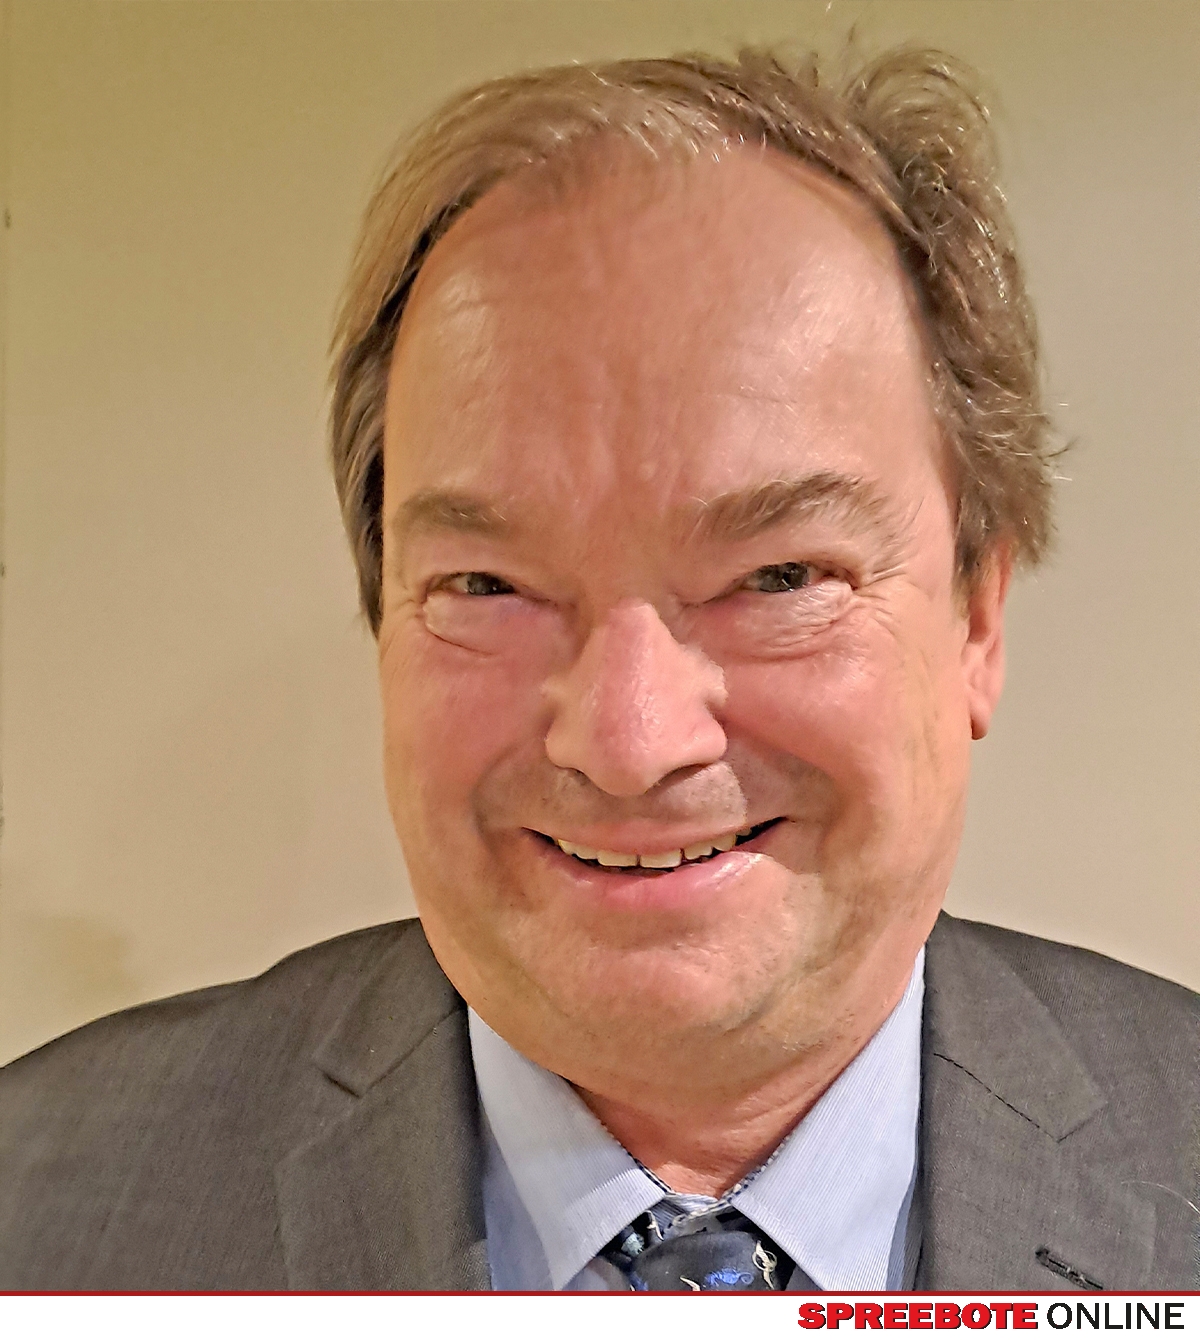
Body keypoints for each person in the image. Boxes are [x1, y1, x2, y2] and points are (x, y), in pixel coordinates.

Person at [0, 47, 1194, 1293]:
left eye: (779, 575)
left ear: (977, 618)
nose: (629, 740)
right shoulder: (43, 1217)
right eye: (488, 584)